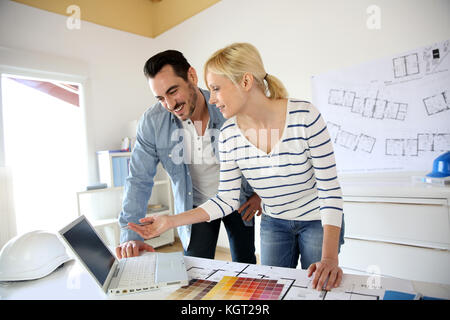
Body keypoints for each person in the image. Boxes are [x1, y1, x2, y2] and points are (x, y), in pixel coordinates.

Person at [127, 43, 345, 291]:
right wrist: (169, 222)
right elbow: (226, 199)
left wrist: (329, 258)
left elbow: (329, 190)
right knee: (270, 289)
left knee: (315, 287)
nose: (212, 98)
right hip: (272, 222)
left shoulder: (305, 116)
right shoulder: (228, 134)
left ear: (245, 81)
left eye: (217, 88)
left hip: (315, 219)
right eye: (211, 90)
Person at [116, 49, 260, 263]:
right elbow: (138, 179)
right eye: (160, 98)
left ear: (192, 76)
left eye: (173, 91)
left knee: (245, 264)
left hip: (238, 201)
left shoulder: (226, 106)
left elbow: (258, 153)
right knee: (195, 270)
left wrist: (259, 194)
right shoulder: (152, 122)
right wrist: (131, 235)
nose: (170, 105)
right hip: (195, 206)